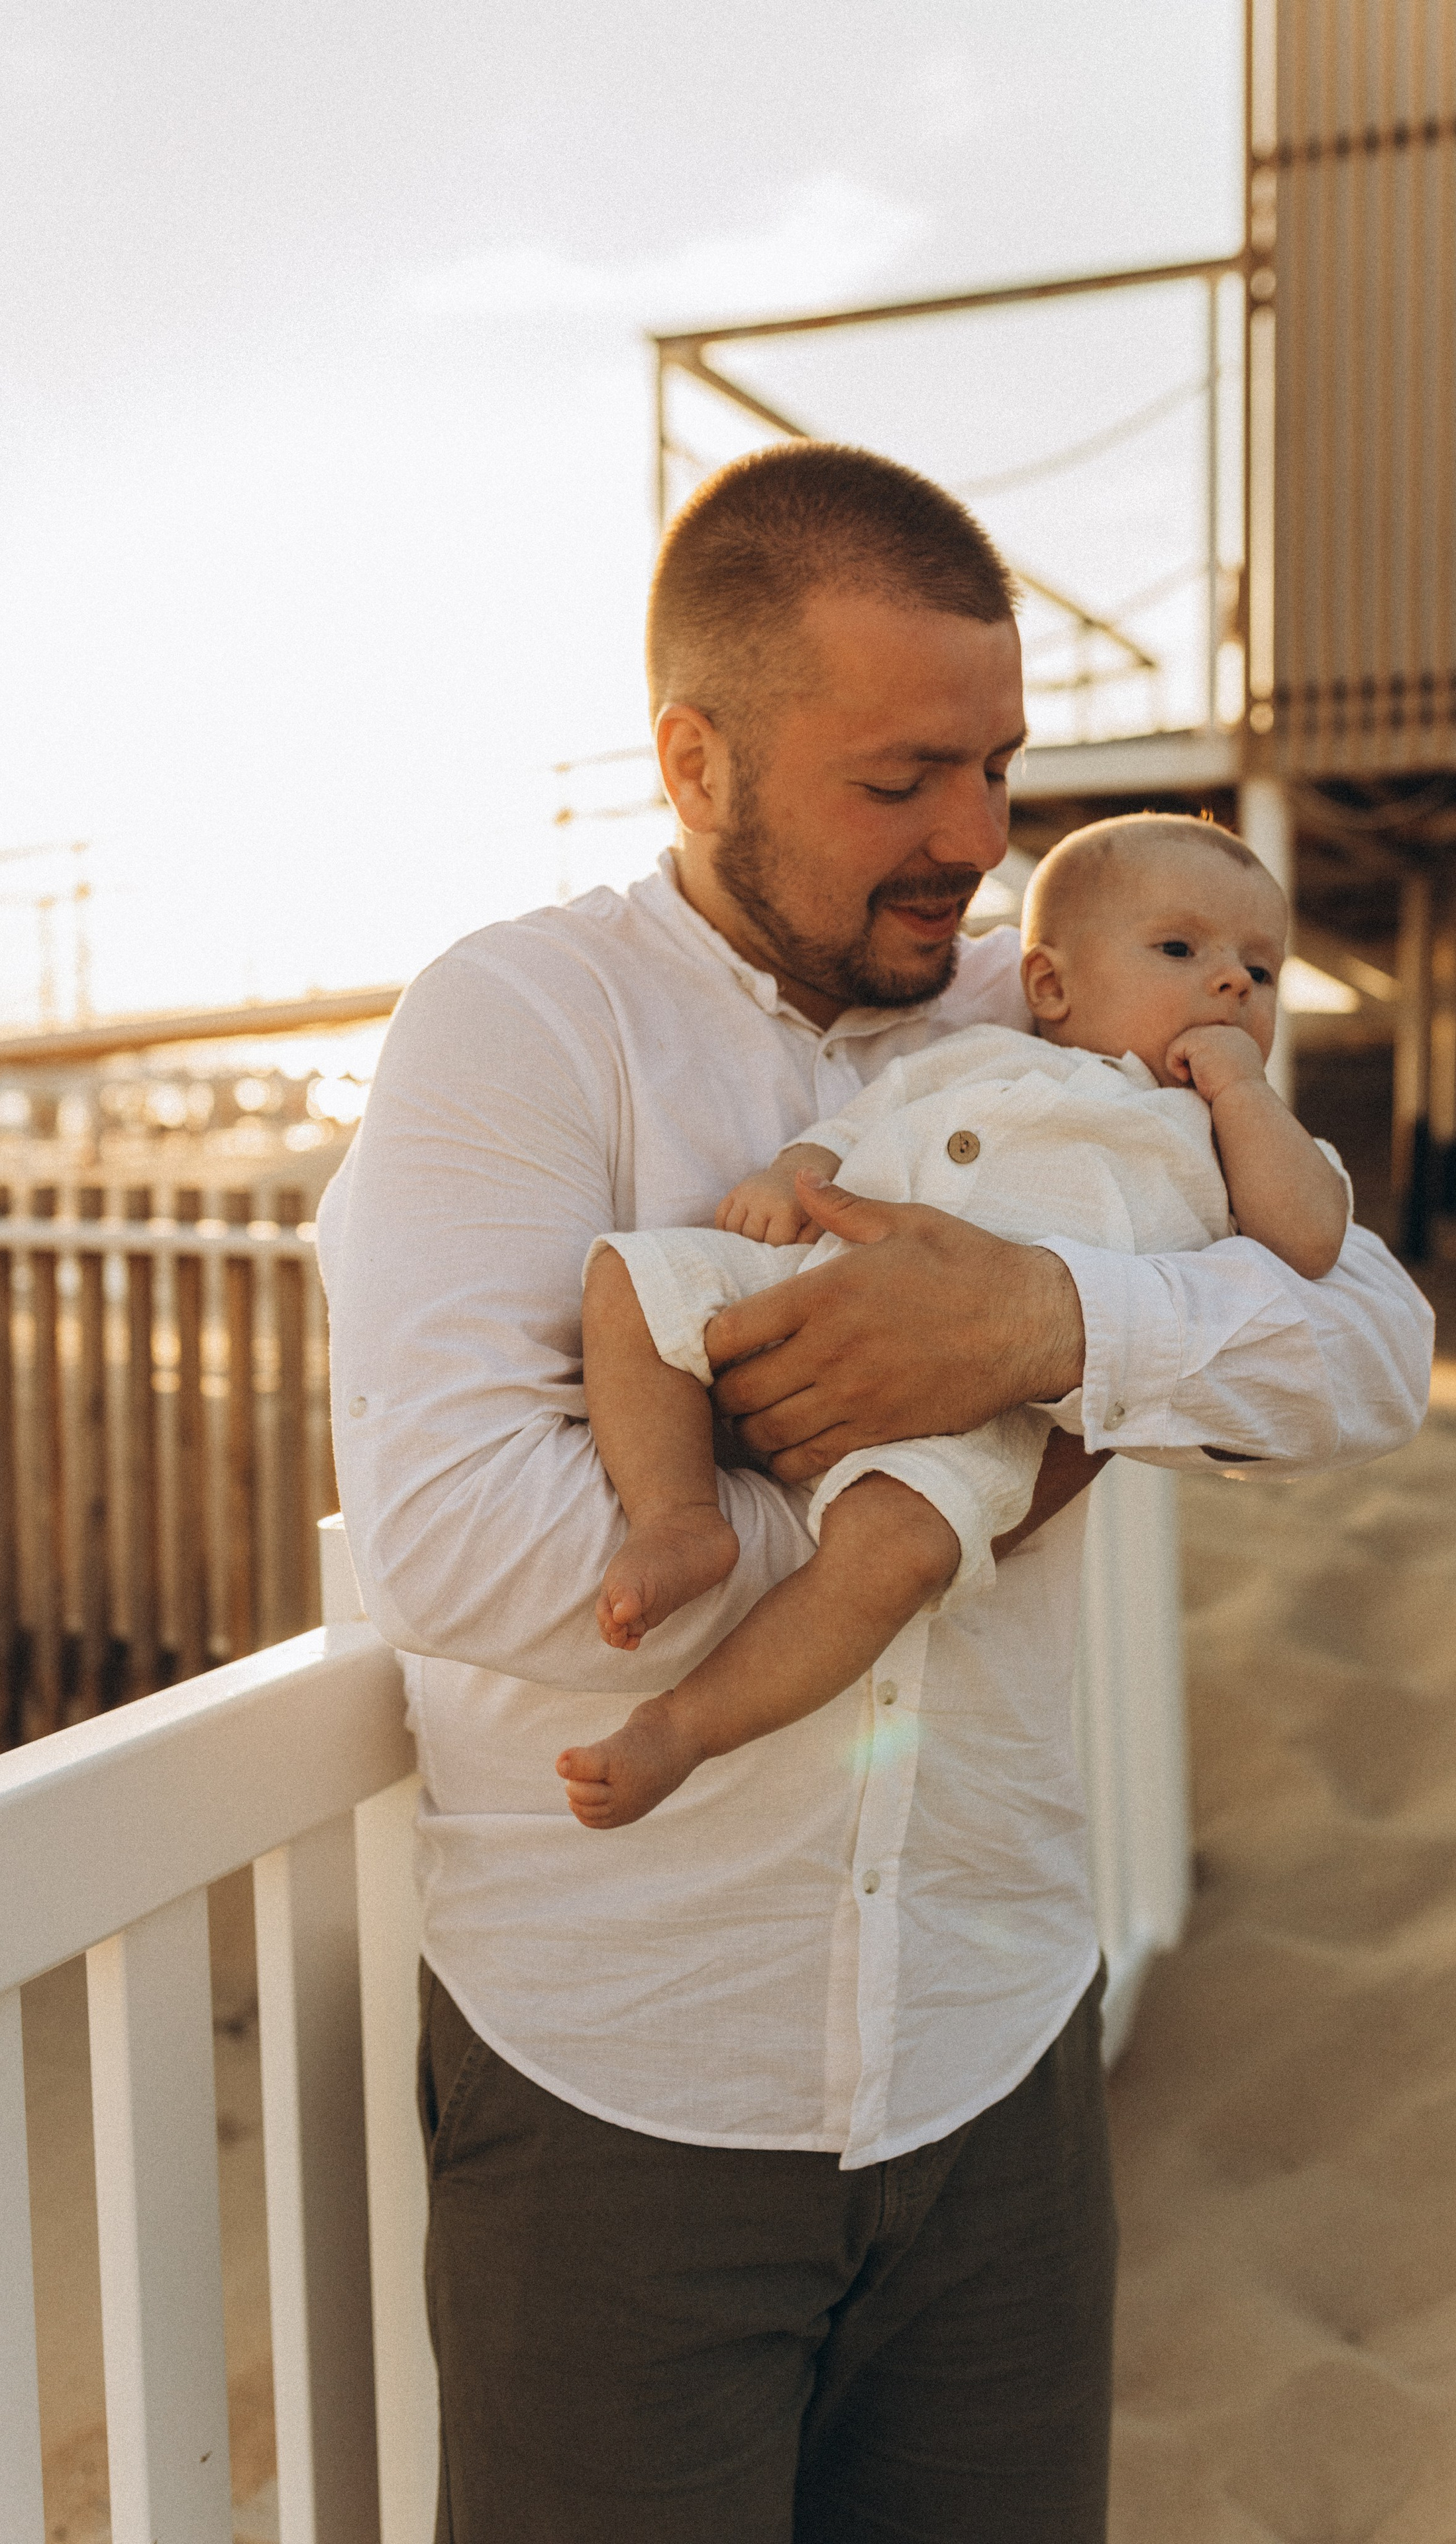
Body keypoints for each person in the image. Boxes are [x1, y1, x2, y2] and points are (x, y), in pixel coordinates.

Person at [318, 443, 1431, 2544]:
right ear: (695, 757)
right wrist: (957, 1510)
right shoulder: (521, 1023)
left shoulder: (1079, 1008)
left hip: (1003, 2056)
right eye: (902, 778)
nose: (976, 843)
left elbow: (1370, 1348)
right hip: (628, 2090)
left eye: (1000, 768)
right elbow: (459, 1535)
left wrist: (1048, 1333)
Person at [559, 814, 1351, 1829]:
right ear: (1053, 986)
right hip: (817, 1277)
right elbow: (855, 1129)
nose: (1235, 983)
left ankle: (685, 1728)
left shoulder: (1231, 1139)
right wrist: (787, 1176)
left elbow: (1312, 1241)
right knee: (631, 1277)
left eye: (1263, 969)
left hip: (983, 1416)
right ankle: (679, 1517)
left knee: (895, 1557)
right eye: (1180, 950)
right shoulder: (973, 1055)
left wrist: (1242, 1089)